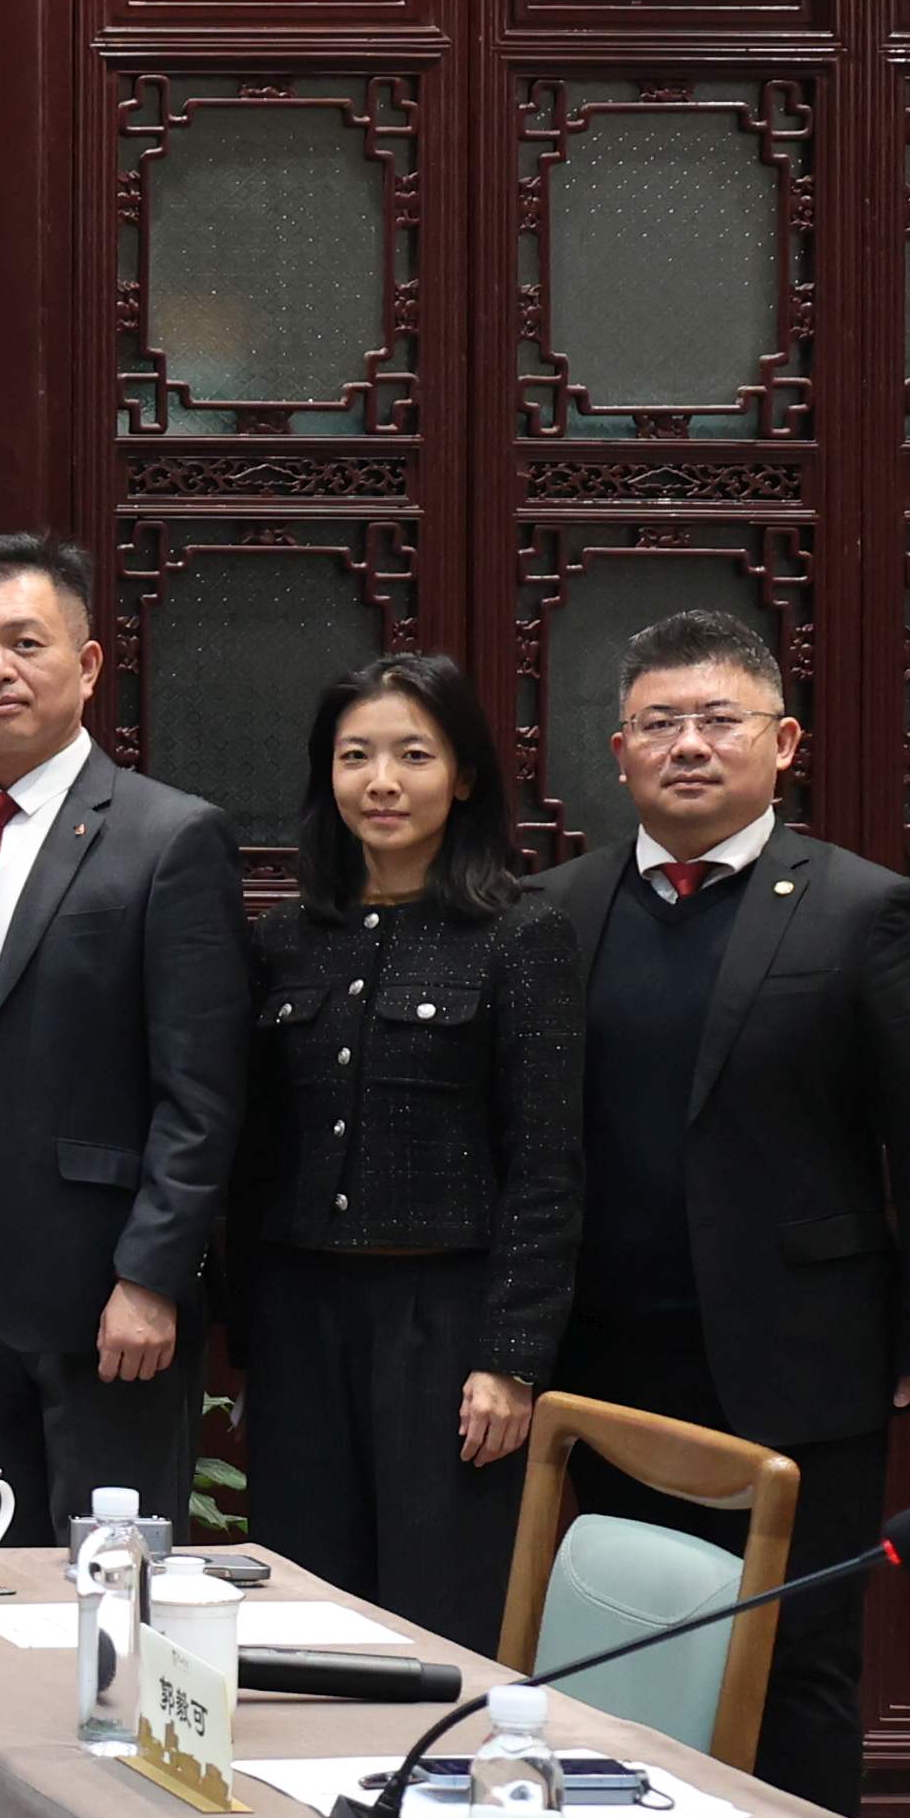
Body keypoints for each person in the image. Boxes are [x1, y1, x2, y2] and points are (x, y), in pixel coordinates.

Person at [532, 607, 910, 1812]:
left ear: (781, 743)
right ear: (620, 749)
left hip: (799, 1361)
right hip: (605, 1359)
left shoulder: (860, 909)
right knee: (619, 1648)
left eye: (719, 719)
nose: (690, 745)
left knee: (796, 1664)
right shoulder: (554, 912)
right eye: (659, 722)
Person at [0, 535, 252, 1543]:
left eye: (23, 643)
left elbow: (204, 1090)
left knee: (109, 1588)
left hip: (108, 1296)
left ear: (89, 665)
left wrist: (150, 1274)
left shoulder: (169, 836)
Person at [226, 655, 582, 1652]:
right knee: (304, 1604)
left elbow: (547, 1167)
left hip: (445, 1323)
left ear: (463, 775)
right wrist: (246, 1330)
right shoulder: (286, 938)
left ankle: (428, 1802)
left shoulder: (520, 934)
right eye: (356, 757)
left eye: (413, 755)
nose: (381, 781)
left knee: (438, 1611)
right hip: (302, 1315)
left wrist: (511, 1363)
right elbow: (254, 1154)